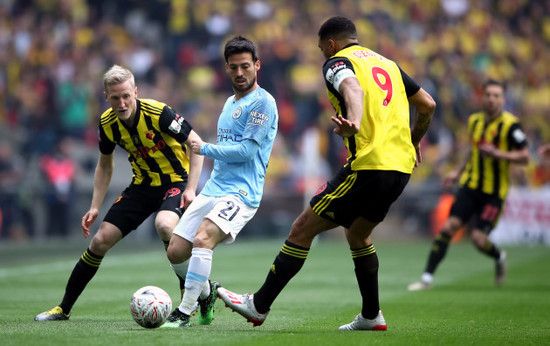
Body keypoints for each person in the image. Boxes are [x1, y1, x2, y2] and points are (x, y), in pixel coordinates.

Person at [217, 16, 436, 331]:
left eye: (322, 50)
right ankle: (372, 315)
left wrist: (356, 121)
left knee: (302, 227)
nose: (323, 56)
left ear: (330, 44)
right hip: (400, 169)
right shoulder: (387, 64)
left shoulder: (337, 62)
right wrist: (413, 142)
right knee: (358, 233)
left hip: (368, 166)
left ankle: (258, 305)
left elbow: (352, 89)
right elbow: (427, 104)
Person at [34, 64, 204, 321]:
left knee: (165, 226)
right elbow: (105, 164)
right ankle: (63, 308)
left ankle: (186, 307)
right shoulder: (107, 123)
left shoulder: (160, 114)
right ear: (106, 97)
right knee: (100, 240)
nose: (122, 103)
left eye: (126, 96)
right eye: (115, 98)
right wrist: (94, 205)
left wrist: (191, 189)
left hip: (175, 182)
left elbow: (197, 144)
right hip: (142, 186)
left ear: (135, 92)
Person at [160, 36, 279, 328]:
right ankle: (208, 292)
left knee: (203, 239)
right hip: (215, 188)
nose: (240, 73)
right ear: (226, 68)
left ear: (257, 66)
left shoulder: (263, 103)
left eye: (246, 66)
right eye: (234, 67)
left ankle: (184, 312)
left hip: (241, 193)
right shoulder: (229, 102)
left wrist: (204, 148)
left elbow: (247, 151)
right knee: (175, 251)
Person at [408, 79, 529, 291]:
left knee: (478, 240)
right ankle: (426, 279)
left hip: (493, 193)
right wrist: (457, 172)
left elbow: (525, 156)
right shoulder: (475, 121)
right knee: (447, 228)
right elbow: (472, 150)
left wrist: (498, 153)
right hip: (470, 187)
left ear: (503, 99)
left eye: (496, 96)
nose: (491, 99)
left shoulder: (511, 126)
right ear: (483, 97)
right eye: (488, 95)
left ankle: (499, 256)